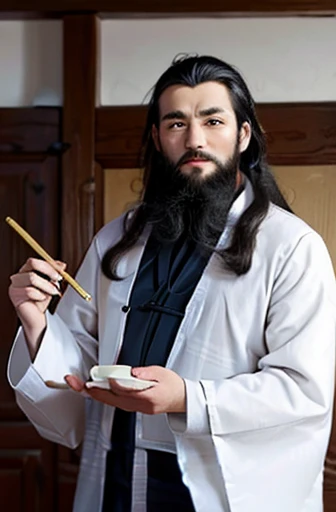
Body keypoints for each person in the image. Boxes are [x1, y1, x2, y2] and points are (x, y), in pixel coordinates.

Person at [7, 55, 336, 512]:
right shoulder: (119, 237)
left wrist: (186, 398)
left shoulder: (291, 246)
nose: (195, 140)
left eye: (213, 120)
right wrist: (36, 321)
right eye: (176, 123)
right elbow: (80, 361)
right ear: (159, 139)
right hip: (119, 473)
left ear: (243, 135)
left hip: (222, 484)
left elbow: (303, 389)